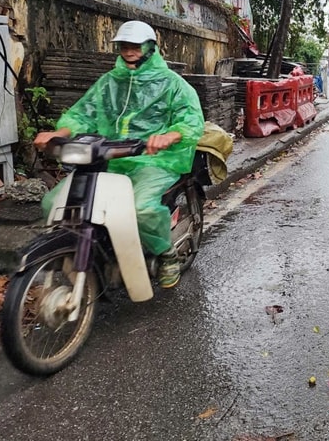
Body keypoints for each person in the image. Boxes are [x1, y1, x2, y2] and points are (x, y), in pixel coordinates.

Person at [34, 21, 205, 289]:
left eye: (135, 46)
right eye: (124, 46)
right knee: (55, 203)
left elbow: (191, 120)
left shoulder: (173, 84)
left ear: (150, 47)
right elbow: (82, 114)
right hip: (110, 157)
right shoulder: (109, 82)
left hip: (153, 159)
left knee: (141, 208)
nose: (128, 51)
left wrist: (169, 136)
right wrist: (60, 133)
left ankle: (165, 254)